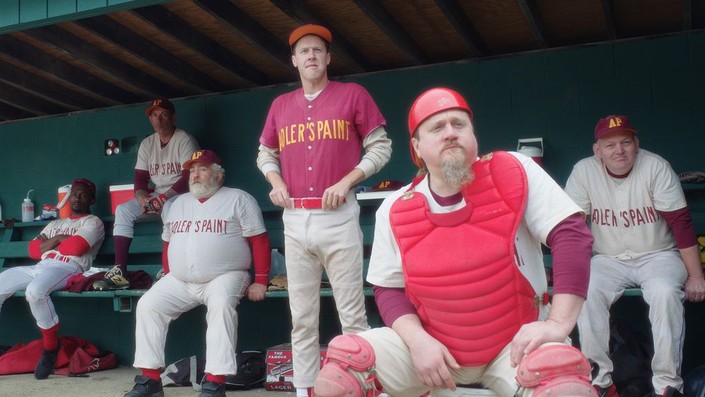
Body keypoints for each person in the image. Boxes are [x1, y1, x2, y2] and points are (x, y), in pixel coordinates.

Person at [313, 87, 597, 397]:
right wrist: (418, 341)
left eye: (459, 124)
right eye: (437, 127)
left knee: (565, 388)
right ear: (417, 146)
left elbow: (571, 233)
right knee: (342, 372)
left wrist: (558, 323)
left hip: (515, 347)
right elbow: (388, 287)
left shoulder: (514, 171)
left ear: (473, 136)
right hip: (433, 350)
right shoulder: (395, 208)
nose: (450, 133)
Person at [256, 24, 392, 397]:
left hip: (338, 215)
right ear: (294, 60)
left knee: (352, 315)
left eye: (318, 50)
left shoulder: (352, 94)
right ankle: (304, 389)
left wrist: (347, 181)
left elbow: (380, 148)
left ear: (328, 58)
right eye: (304, 51)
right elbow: (266, 153)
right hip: (296, 215)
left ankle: (364, 386)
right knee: (302, 317)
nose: (311, 56)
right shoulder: (281, 105)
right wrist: (275, 182)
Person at [564, 115, 705, 397]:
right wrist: (570, 277)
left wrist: (696, 275)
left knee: (665, 293)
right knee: (586, 292)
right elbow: (572, 228)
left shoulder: (655, 167)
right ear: (597, 150)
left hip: (658, 255)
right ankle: (600, 382)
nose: (619, 150)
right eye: (610, 144)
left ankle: (667, 385)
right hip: (608, 259)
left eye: (626, 142)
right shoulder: (584, 171)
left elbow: (681, 223)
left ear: (636, 144)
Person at [124, 149, 271, 397]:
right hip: (181, 280)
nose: (195, 175)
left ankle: (215, 382)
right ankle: (149, 380)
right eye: (192, 170)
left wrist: (261, 281)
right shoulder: (176, 204)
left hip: (226, 275)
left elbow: (259, 240)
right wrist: (169, 273)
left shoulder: (238, 198)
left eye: (202, 169)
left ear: (218, 175)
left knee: (222, 304)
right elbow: (168, 243)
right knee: (149, 304)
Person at [0, 178, 104, 380]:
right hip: (41, 266)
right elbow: (32, 251)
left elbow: (75, 248)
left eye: (83, 195)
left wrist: (51, 243)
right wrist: (59, 239)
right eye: (74, 194)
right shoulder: (56, 223)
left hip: (69, 267)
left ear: (92, 199)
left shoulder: (93, 222)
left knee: (35, 292)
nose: (77, 198)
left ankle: (50, 347)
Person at [93, 98, 200, 290]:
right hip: (158, 194)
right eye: (154, 115)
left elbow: (188, 178)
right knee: (123, 210)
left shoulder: (185, 140)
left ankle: (170, 268)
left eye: (163, 114)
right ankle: (120, 272)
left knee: (169, 207)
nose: (158, 119)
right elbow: (140, 177)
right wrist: (141, 196)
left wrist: (163, 198)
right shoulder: (147, 143)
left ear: (173, 117)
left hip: (184, 196)